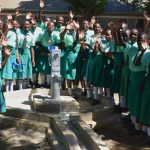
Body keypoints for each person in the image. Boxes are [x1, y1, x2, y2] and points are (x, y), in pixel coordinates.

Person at [2, 20, 19, 91]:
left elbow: (14, 45)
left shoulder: (14, 33)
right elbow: (3, 40)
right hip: (5, 53)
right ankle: (6, 89)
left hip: (12, 54)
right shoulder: (5, 33)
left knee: (12, 71)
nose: (14, 26)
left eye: (16, 24)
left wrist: (17, 56)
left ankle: (11, 89)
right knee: (7, 71)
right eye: (13, 24)